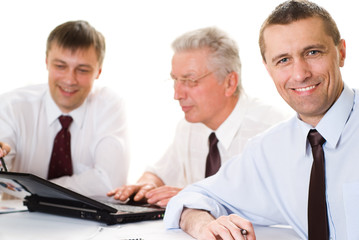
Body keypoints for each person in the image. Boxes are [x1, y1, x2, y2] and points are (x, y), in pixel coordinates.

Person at [164, 0, 359, 239]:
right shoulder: (269, 150)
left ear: (341, 52)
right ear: (268, 69)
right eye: (283, 60)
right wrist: (204, 226)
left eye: (313, 52)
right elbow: (192, 198)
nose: (300, 74)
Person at [108, 27, 291, 207]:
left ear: (229, 83)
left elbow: (280, 208)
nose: (177, 94)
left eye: (190, 81)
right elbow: (159, 173)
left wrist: (199, 198)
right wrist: (148, 184)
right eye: (175, 80)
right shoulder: (189, 126)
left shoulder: (272, 129)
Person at [0, 20, 129, 197]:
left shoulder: (109, 106)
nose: (69, 80)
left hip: (85, 223)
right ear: (46, 62)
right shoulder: (11, 106)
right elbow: (3, 169)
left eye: (82, 70)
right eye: (60, 66)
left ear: (98, 71)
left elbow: (109, 182)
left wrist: (31, 190)